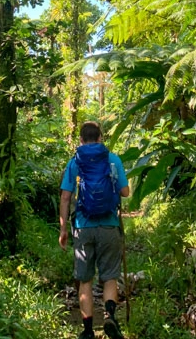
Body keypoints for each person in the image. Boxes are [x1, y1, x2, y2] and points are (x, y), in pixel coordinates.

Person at [60, 121, 130, 339]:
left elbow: (65, 196)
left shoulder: (75, 162)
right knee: (109, 277)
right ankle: (109, 317)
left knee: (86, 280)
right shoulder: (112, 159)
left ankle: (88, 330)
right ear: (100, 138)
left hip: (83, 227)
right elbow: (125, 192)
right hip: (109, 226)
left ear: (81, 140)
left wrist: (63, 229)